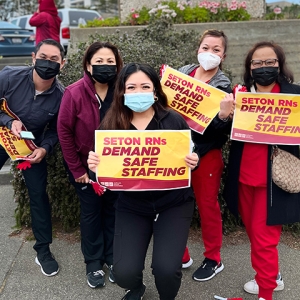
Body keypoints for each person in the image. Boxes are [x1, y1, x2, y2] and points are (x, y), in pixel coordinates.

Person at [87, 62, 199, 300]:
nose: (138, 92)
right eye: (131, 87)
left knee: (166, 270)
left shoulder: (173, 121)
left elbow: (187, 158)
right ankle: (136, 288)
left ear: (156, 91)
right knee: (124, 272)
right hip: (132, 205)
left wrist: (193, 160)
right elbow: (108, 173)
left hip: (173, 203)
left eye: (145, 86)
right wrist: (96, 165)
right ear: (122, 92)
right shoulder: (111, 125)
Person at [224, 41, 300, 300]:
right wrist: (225, 115)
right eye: (257, 63)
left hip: (275, 181)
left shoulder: (295, 96)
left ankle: (266, 291)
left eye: (270, 62)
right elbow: (221, 136)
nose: (264, 67)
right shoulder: (239, 95)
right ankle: (271, 276)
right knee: (255, 235)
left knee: (265, 241)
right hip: (243, 178)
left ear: (280, 65)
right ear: (249, 67)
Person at [57, 41, 123, 288]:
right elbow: (64, 131)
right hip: (86, 171)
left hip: (116, 169)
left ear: (117, 66)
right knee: (91, 214)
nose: (105, 67)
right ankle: (93, 262)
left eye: (110, 62)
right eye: (99, 62)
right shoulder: (74, 93)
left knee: (114, 212)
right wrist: (77, 170)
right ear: (88, 64)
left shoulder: (123, 91)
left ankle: (113, 258)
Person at [0, 39, 65, 276]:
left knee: (38, 195)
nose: (48, 63)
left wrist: (45, 148)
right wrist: (9, 121)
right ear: (34, 57)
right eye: (44, 58)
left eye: (54, 60)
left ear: (63, 64)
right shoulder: (9, 77)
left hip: (30, 148)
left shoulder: (61, 96)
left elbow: (58, 130)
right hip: (2, 136)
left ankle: (43, 250)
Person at [178, 29, 234, 281]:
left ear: (223, 55)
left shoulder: (223, 86)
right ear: (197, 49)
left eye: (216, 49)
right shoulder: (183, 72)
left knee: (207, 206)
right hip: (176, 152)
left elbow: (220, 132)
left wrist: (222, 116)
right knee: (175, 203)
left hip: (205, 155)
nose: (209, 53)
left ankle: (214, 258)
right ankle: (180, 253)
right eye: (205, 47)